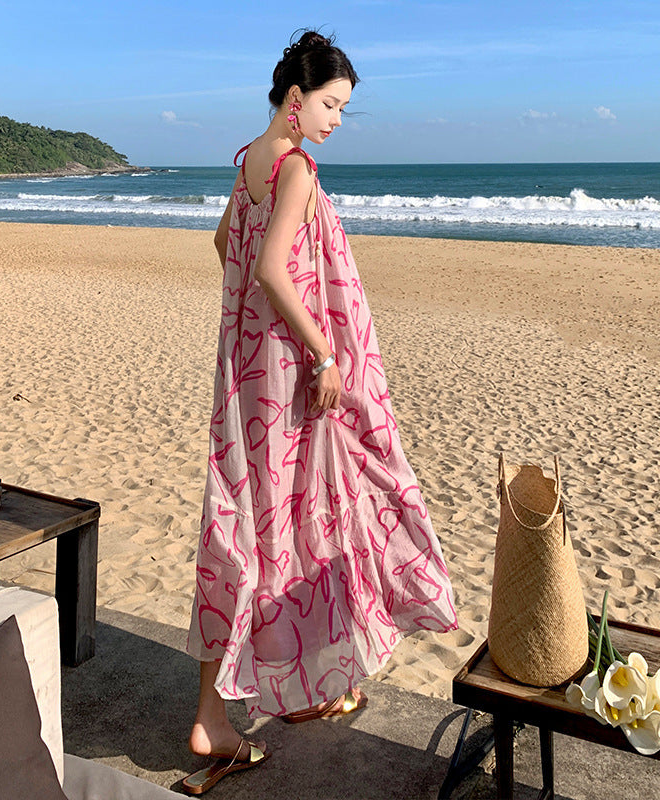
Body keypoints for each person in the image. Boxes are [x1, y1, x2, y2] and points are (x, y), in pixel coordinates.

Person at [182, 30, 458, 794]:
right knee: (314, 512)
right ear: (296, 101)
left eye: (345, 107)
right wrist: (324, 352)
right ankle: (240, 703)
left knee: (253, 521)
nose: (338, 119)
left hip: (246, 374)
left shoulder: (251, 162)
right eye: (333, 104)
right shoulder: (297, 167)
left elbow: (224, 248)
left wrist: (256, 327)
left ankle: (265, 695)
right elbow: (273, 268)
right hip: (290, 379)